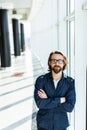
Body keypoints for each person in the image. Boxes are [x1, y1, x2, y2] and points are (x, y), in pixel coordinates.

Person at [34, 51, 76, 130]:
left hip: (61, 125)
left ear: (64, 63)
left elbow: (70, 107)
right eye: (54, 60)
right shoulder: (41, 80)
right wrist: (61, 99)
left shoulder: (70, 82)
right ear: (49, 62)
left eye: (60, 61)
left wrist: (48, 100)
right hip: (43, 124)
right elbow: (40, 103)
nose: (57, 63)